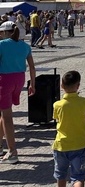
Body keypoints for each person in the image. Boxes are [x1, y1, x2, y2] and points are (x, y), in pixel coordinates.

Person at [0, 21, 36, 164]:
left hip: (4, 80)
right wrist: (32, 84)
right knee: (3, 113)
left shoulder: (2, 45)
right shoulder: (25, 46)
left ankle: (12, 151)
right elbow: (32, 67)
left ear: (4, 32)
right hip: (19, 79)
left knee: (7, 116)